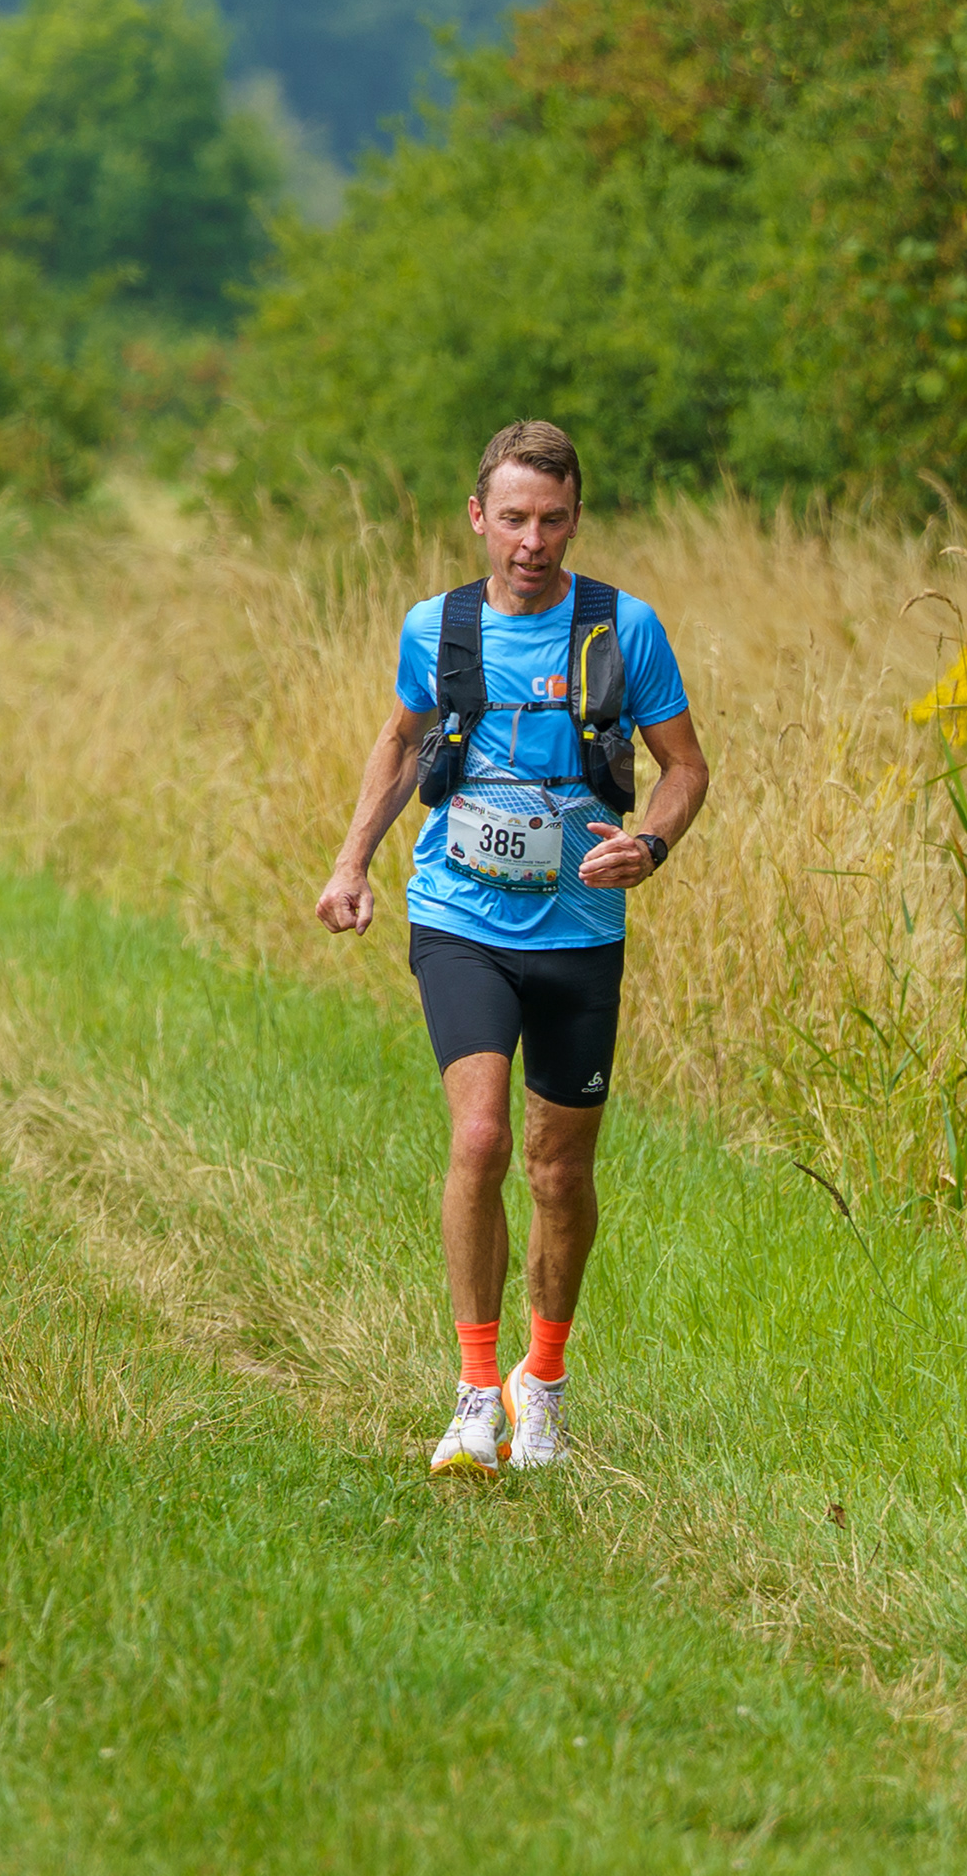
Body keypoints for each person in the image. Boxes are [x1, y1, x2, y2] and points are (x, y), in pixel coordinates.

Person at [313, 420, 707, 1479]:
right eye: (515, 518)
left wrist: (651, 843)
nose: (533, 541)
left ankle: (545, 1385)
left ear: (575, 520)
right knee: (482, 1137)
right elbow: (402, 740)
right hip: (460, 918)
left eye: (553, 520)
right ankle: (475, 1393)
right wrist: (352, 863)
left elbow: (685, 767)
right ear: (479, 517)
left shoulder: (623, 628)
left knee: (559, 1172)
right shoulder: (437, 627)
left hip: (580, 930)